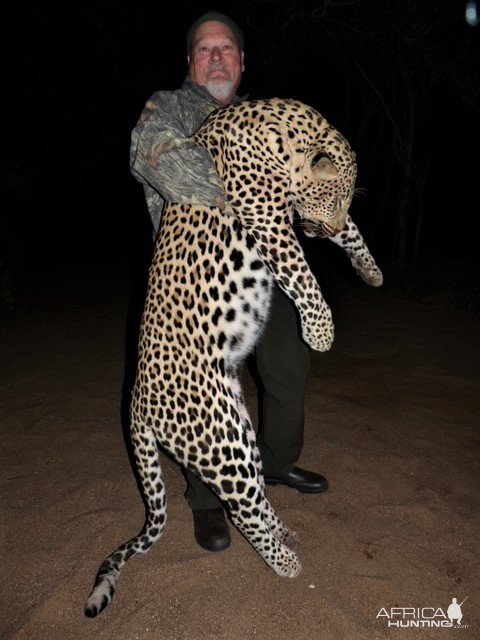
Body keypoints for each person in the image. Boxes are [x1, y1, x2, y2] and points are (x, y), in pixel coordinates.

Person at [130, 11, 328, 554]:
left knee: (289, 370)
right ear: (190, 63)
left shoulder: (266, 117)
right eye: (204, 50)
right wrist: (251, 182)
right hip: (196, 278)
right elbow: (155, 158)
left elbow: (301, 193)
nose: (216, 57)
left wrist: (313, 213)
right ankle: (208, 501)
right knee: (209, 392)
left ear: (242, 63)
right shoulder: (168, 106)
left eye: (226, 50)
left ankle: (277, 464)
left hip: (268, 266)